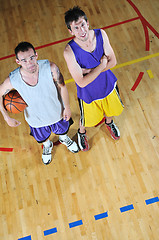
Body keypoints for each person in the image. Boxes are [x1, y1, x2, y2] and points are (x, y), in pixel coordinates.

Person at [0, 42, 79, 164]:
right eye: (24, 60)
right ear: (18, 62)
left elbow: (62, 86)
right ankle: (47, 146)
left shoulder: (51, 68)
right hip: (36, 120)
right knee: (43, 138)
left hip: (57, 112)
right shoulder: (13, 80)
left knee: (63, 131)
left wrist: (67, 107)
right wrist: (6, 117)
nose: (29, 63)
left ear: (36, 55)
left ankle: (64, 139)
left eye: (31, 57)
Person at [64, 6, 124, 151]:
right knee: (86, 119)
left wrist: (88, 71)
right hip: (88, 93)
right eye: (76, 28)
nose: (82, 30)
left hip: (108, 84)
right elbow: (81, 81)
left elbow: (113, 62)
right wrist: (102, 64)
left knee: (111, 111)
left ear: (88, 23)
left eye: (83, 25)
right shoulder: (69, 51)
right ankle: (81, 132)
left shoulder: (101, 34)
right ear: (71, 31)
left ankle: (109, 123)